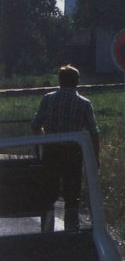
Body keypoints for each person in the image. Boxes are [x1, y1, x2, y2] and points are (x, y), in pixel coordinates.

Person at [31, 65, 100, 230]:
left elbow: (35, 125)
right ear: (77, 82)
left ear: (60, 81)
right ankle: (71, 230)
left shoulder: (48, 99)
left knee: (49, 193)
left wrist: (45, 140)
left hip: (51, 152)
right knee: (72, 194)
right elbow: (93, 132)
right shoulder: (84, 103)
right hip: (73, 153)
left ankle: (47, 230)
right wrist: (95, 157)